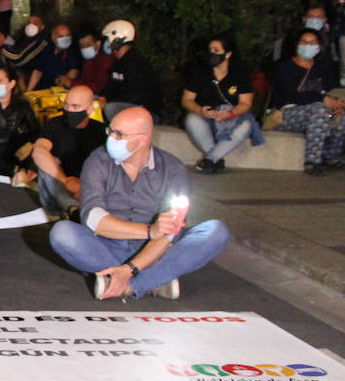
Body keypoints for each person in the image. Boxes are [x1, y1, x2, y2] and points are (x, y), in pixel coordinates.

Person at [49, 106, 228, 300]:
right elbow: (93, 219)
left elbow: (168, 233)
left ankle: (127, 283)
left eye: (119, 134)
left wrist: (132, 268)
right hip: (107, 243)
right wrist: (150, 230)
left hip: (155, 250)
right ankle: (156, 279)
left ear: (143, 139)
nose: (111, 138)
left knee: (215, 231)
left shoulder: (173, 169)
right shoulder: (98, 160)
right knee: (62, 232)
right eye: (110, 131)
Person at [180, 34, 261, 173]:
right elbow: (186, 100)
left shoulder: (240, 73)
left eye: (216, 51)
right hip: (207, 116)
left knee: (247, 125)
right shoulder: (200, 71)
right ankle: (215, 159)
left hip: (231, 116)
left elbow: (246, 103)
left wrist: (230, 113)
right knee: (192, 119)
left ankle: (211, 159)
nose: (212, 53)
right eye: (210, 49)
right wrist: (200, 110)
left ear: (228, 54)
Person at [268, 29, 342, 174]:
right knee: (319, 108)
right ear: (297, 45)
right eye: (304, 42)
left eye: (312, 43)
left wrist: (336, 104)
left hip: (319, 112)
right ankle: (312, 161)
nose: (307, 45)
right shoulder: (285, 67)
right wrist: (322, 99)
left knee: (340, 113)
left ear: (319, 47)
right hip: (286, 115)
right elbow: (291, 95)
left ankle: (331, 156)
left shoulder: (322, 67)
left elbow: (330, 91)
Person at [31, 85, 106, 220]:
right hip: (60, 189)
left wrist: (83, 185)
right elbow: (39, 151)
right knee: (48, 162)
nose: (69, 110)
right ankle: (73, 210)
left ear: (89, 110)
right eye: (66, 105)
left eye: (75, 107)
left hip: (87, 190)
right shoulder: (55, 124)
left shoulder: (100, 131)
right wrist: (65, 181)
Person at [102, 20, 162, 121]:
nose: (106, 43)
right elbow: (112, 86)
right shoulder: (119, 63)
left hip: (146, 111)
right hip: (127, 104)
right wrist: (103, 98)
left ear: (117, 40)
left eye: (108, 39)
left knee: (110, 109)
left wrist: (109, 102)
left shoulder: (136, 63)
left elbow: (137, 95)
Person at [28, 23, 79, 91]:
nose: (65, 39)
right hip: (44, 90)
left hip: (61, 92)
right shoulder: (47, 50)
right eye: (61, 36)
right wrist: (29, 91)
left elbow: (73, 72)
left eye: (67, 36)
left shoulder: (73, 52)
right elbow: (37, 71)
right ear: (53, 37)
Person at [76, 29, 114, 97]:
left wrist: (71, 83)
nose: (85, 48)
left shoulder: (106, 60)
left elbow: (98, 87)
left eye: (88, 45)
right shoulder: (88, 60)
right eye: (82, 46)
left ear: (98, 44)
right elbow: (83, 80)